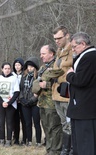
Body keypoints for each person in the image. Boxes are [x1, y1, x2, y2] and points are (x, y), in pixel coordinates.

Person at [66, 32, 96, 155]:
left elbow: (81, 80)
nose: (73, 50)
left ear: (83, 44)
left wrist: (70, 75)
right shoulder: (84, 56)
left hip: (86, 109)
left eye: (74, 47)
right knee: (79, 144)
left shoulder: (90, 57)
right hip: (81, 109)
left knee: (86, 144)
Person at [36, 45, 62, 155]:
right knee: (46, 128)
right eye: (41, 54)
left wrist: (46, 84)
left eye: (43, 53)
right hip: (42, 103)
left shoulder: (57, 65)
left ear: (51, 54)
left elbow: (62, 81)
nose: (41, 56)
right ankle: (49, 149)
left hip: (52, 103)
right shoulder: (42, 68)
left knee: (54, 128)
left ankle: (56, 151)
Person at [52, 26, 73, 155]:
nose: (57, 41)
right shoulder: (59, 52)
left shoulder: (73, 51)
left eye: (59, 38)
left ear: (67, 35)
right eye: (55, 39)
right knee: (63, 123)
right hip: (57, 93)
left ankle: (70, 149)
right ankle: (65, 149)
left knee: (70, 123)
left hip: (67, 93)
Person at [0, 62, 20, 147]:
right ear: (2, 69)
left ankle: (8, 140)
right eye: (5, 68)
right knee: (0, 122)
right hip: (1, 103)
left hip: (11, 104)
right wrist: (2, 102)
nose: (7, 70)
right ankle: (2, 140)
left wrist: (9, 103)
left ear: (10, 69)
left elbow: (16, 92)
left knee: (9, 122)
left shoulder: (14, 78)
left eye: (9, 68)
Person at [19, 57, 42, 147]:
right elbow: (20, 88)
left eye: (31, 67)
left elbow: (38, 91)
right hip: (25, 103)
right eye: (28, 66)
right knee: (27, 123)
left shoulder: (38, 77)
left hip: (35, 103)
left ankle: (38, 141)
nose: (29, 68)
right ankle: (29, 140)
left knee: (36, 123)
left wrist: (31, 100)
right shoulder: (23, 76)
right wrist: (22, 99)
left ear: (35, 67)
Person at [12, 58, 27, 145]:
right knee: (15, 121)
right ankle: (16, 138)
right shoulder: (12, 75)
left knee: (24, 120)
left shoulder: (25, 75)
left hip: (22, 101)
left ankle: (25, 138)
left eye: (19, 65)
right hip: (14, 101)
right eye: (16, 65)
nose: (17, 67)